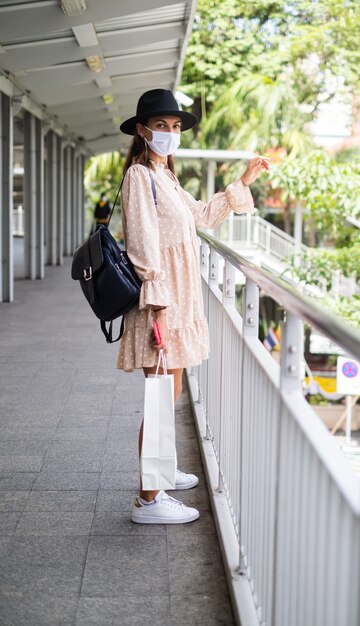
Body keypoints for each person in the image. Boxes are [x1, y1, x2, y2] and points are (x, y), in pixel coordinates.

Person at [118, 89, 269, 524]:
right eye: (161, 126)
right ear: (143, 131)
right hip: (161, 299)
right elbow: (143, 244)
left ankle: (161, 473)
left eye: (176, 126)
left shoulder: (166, 178)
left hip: (178, 298)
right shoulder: (139, 176)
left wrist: (242, 182)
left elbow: (203, 215)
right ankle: (149, 499)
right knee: (160, 398)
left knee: (174, 389)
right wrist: (158, 302)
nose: (170, 133)